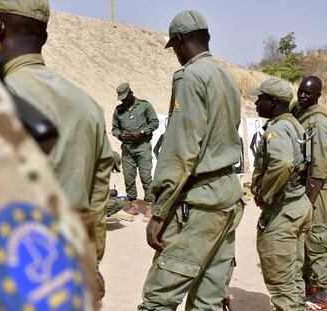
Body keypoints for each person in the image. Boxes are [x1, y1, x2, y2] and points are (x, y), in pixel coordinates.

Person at [0, 1, 99, 309]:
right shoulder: (88, 106)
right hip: (68, 269)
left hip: (4, 268)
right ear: (44, 38)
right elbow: (97, 203)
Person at [138, 10, 245, 310]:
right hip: (226, 194)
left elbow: (181, 150)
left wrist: (158, 213)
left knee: (159, 298)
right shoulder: (225, 75)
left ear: (180, 41)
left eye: (174, 48)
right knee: (208, 300)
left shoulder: (189, 76)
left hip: (198, 204)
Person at [249, 78, 312, 311]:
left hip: (283, 211)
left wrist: (265, 193)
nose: (256, 102)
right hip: (298, 204)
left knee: (281, 284)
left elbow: (283, 163)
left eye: (260, 98)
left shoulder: (277, 129)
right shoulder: (295, 124)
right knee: (294, 277)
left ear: (273, 102)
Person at [295, 76, 327, 310]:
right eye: (300, 92)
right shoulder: (305, 117)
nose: (302, 96)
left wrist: (308, 201)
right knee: (307, 238)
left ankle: (321, 296)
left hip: (316, 189)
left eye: (308, 94)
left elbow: (319, 168)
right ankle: (310, 286)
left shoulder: (317, 122)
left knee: (317, 239)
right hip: (308, 187)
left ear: (318, 95)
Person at [112, 82, 159, 221]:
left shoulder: (145, 105)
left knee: (146, 177)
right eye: (122, 99)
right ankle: (133, 205)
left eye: (125, 98)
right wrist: (120, 135)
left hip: (143, 146)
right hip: (127, 149)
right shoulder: (118, 110)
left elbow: (154, 122)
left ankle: (150, 206)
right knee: (128, 177)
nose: (124, 101)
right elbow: (114, 128)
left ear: (131, 93)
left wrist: (142, 132)